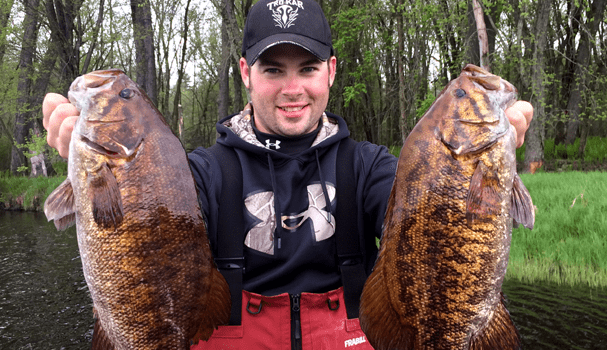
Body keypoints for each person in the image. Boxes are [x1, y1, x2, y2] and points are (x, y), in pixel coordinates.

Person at [43, 0, 533, 349]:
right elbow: (143, 246)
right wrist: (100, 175)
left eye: (308, 67)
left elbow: (431, 232)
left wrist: (471, 172)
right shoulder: (200, 173)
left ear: (332, 72)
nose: (292, 88)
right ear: (245, 72)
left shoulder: (369, 167)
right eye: (273, 69)